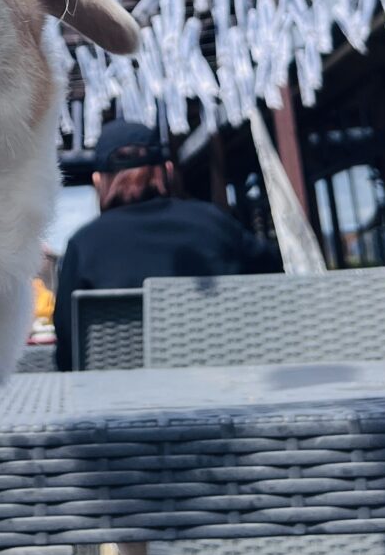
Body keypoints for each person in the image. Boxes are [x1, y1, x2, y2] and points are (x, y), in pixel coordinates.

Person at [53, 119, 282, 371]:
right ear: (168, 171)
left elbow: (68, 350)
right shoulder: (215, 224)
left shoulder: (83, 245)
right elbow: (271, 287)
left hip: (120, 402)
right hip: (222, 396)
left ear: (99, 182)